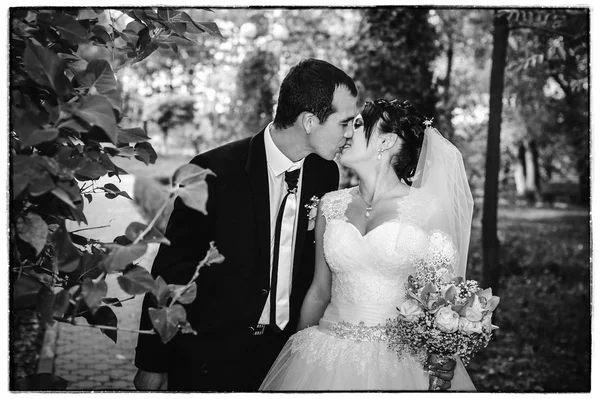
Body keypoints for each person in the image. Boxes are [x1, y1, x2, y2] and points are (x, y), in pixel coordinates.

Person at [133, 58, 358, 391]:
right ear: (310, 121)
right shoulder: (212, 172)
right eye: (345, 123)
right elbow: (171, 270)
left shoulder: (326, 173)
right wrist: (153, 361)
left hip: (284, 356)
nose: (351, 134)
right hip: (211, 356)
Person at [259, 99, 476, 391]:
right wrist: (296, 351)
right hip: (325, 354)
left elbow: (442, 301)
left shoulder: (428, 210)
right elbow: (319, 290)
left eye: (358, 125)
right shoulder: (330, 204)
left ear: (386, 141)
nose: (347, 133)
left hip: (398, 361)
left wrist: (442, 353)